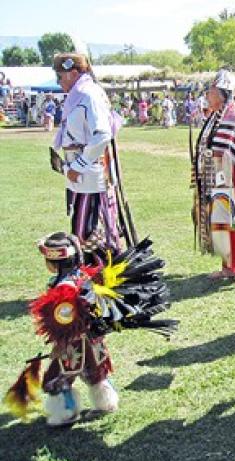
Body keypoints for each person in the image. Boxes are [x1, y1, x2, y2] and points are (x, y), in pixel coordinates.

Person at [4, 232, 176, 426]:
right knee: (96, 373)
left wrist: (59, 346)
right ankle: (106, 403)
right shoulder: (83, 276)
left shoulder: (63, 289)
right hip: (94, 341)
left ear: (55, 262)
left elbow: (66, 324)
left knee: (56, 380)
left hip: (73, 346)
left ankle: (65, 413)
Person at [52, 53, 126, 261]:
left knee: (89, 230)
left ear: (74, 73)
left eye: (61, 77)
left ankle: (108, 271)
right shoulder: (79, 95)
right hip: (79, 171)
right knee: (81, 227)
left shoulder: (89, 95)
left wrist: (80, 165)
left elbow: (103, 134)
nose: (59, 82)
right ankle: (93, 273)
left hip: (91, 172)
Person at [191, 70, 235, 280]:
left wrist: (226, 158)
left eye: (210, 91)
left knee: (231, 222)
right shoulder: (217, 117)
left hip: (231, 179)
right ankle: (230, 265)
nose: (207, 96)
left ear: (221, 93)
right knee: (222, 224)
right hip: (219, 178)